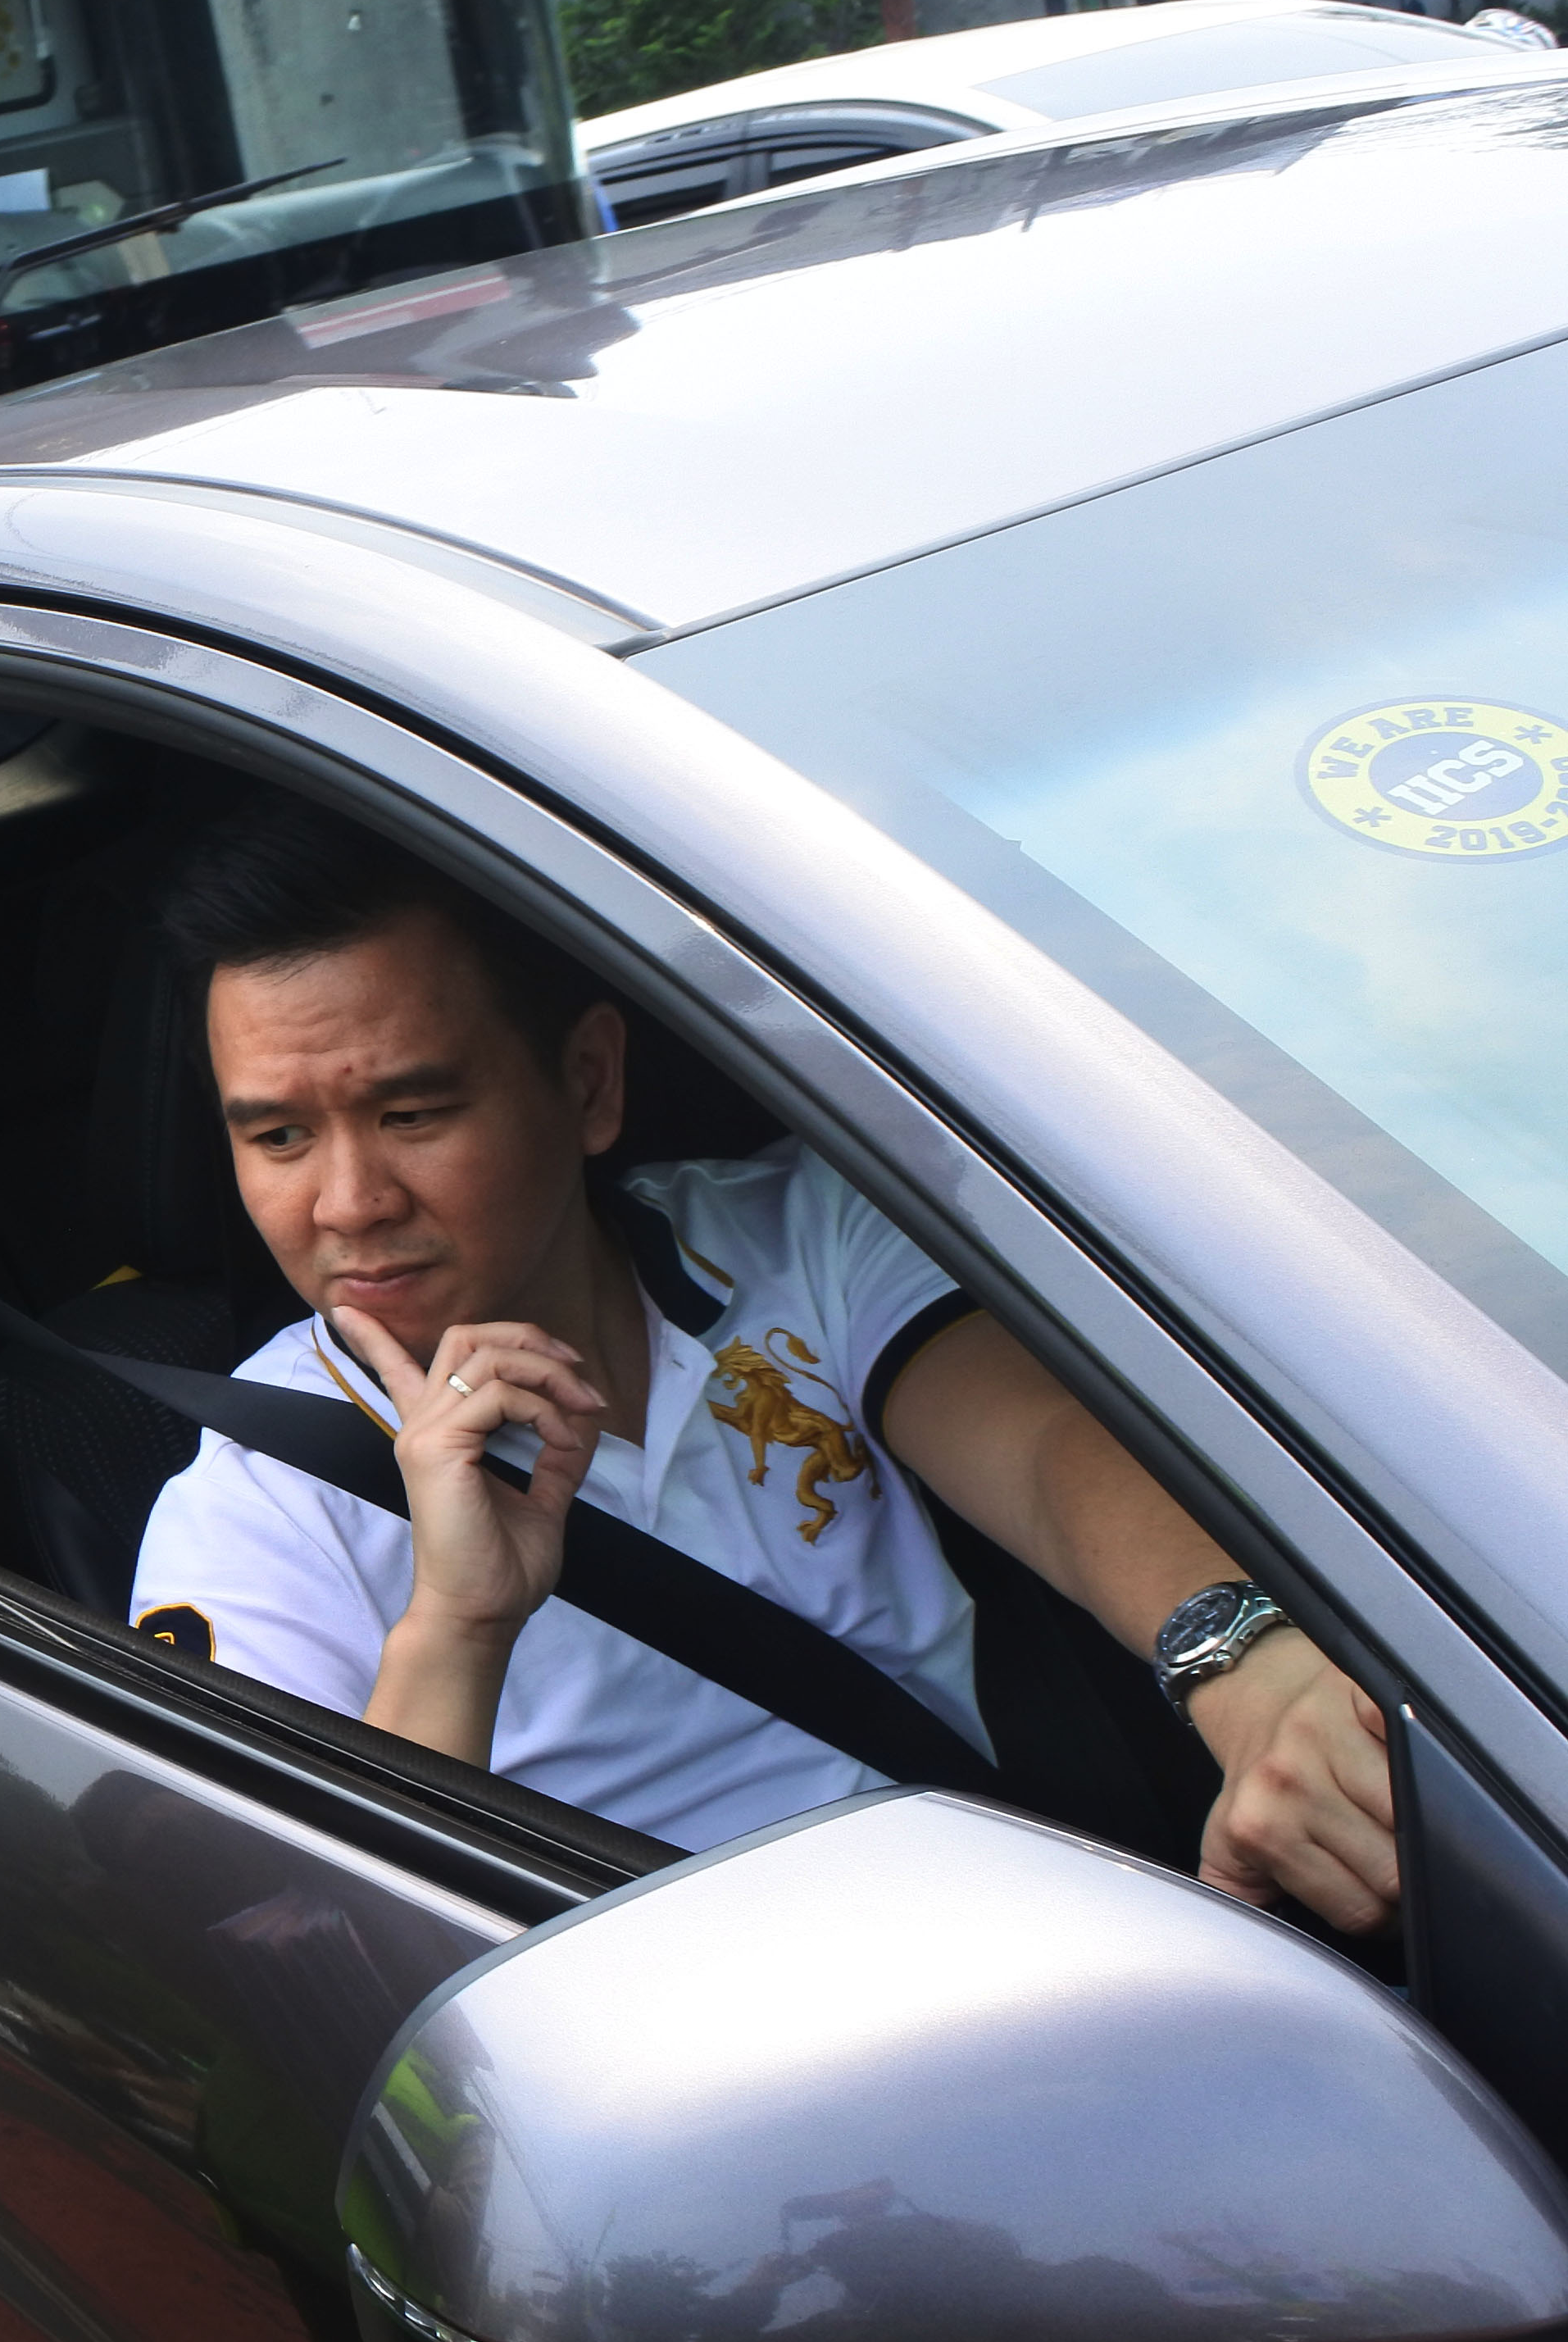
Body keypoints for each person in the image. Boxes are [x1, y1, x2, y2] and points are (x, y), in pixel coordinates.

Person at [125, 806, 1399, 1931]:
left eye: (412, 1114)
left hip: (1068, 1921)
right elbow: (324, 1945)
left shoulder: (796, 1235)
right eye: (280, 1136)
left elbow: (1048, 1454)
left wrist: (1246, 1668)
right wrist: (459, 1623)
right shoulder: (257, 1506)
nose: (347, 1200)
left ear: (587, 1082)